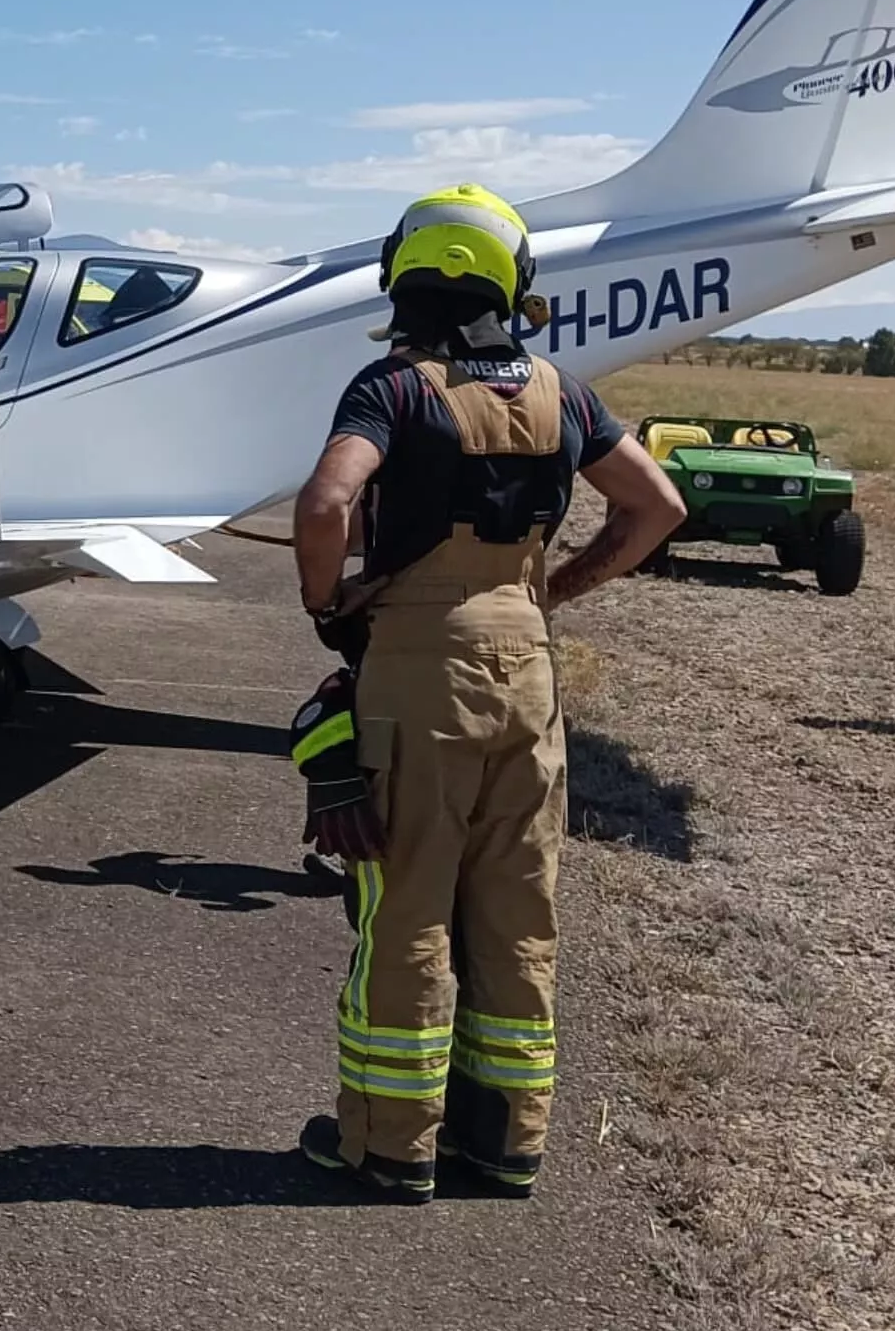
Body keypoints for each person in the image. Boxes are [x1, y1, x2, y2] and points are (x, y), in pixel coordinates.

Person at [288, 185, 683, 1203]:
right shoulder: (565, 391)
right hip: (530, 673)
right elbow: (657, 507)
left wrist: (328, 603)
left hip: (421, 669)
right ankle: (505, 1142)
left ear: (402, 276)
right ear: (512, 282)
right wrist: (557, 589)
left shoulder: (394, 388)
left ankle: (388, 1145)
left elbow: (329, 499)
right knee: (517, 910)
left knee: (406, 905)